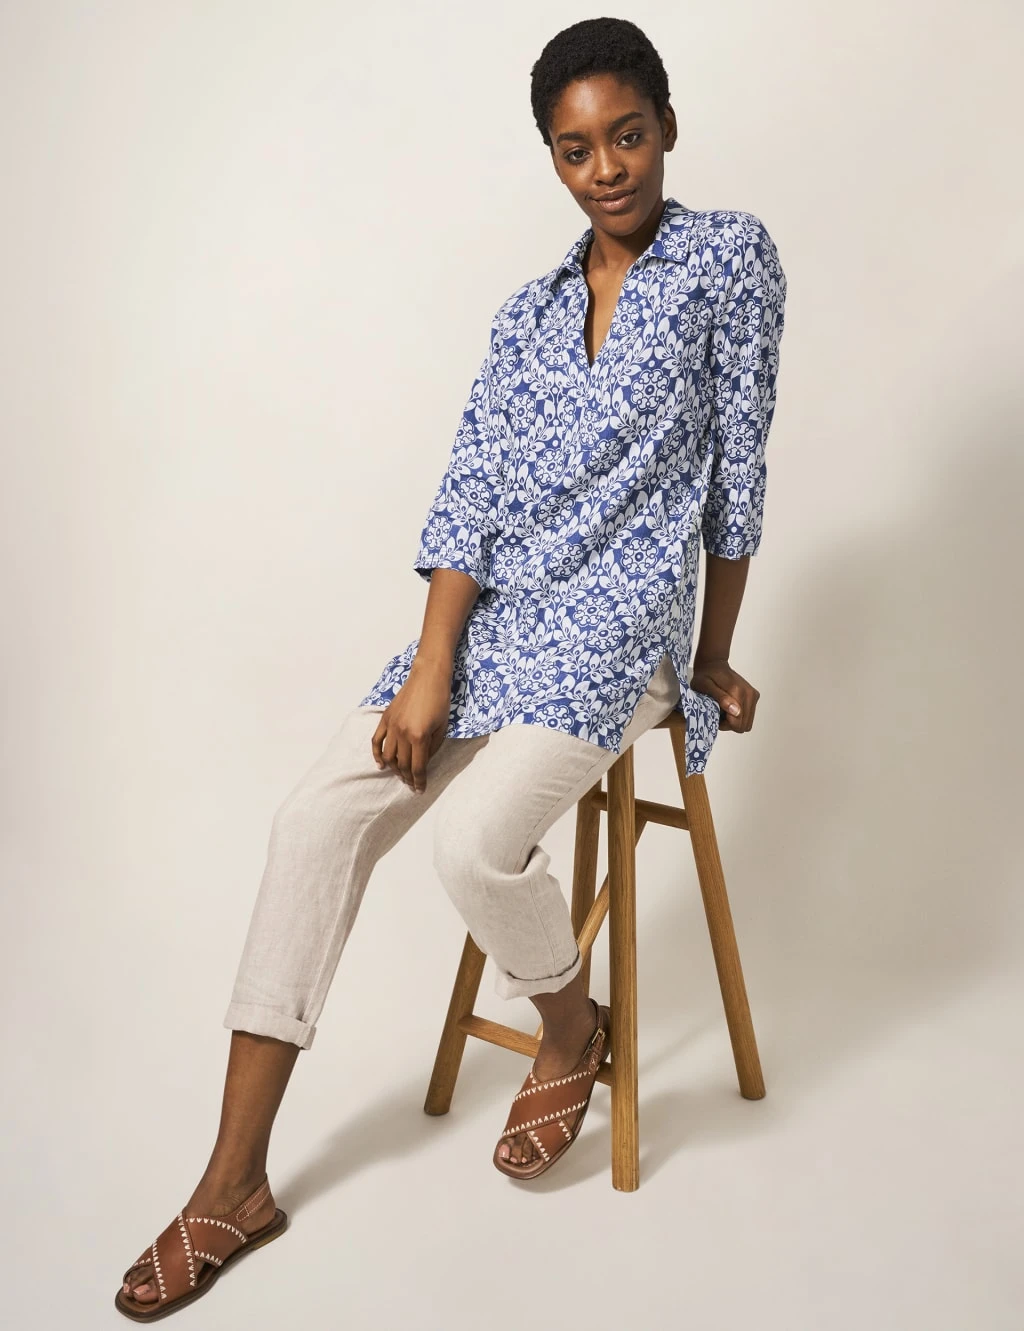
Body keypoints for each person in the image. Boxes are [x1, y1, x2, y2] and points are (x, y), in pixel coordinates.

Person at [115, 14, 787, 1321]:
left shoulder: (729, 261)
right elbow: (471, 492)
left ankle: (572, 1029)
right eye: (577, 150)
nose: (607, 169)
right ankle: (233, 1183)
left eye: (628, 136)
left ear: (667, 126)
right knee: (313, 821)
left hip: (624, 626)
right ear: (554, 159)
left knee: (474, 848)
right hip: (496, 623)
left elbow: (738, 475)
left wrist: (713, 654)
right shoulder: (525, 315)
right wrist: (432, 668)